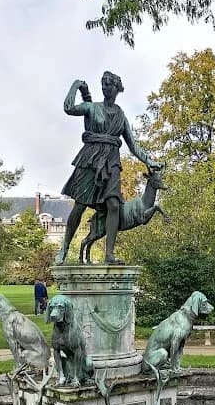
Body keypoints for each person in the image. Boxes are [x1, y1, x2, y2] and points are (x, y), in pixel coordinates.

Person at [55, 71, 161, 265]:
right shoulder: (92, 108)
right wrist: (76, 85)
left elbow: (133, 145)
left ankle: (109, 254)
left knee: (113, 205)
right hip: (90, 159)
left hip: (111, 162)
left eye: (108, 85)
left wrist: (150, 161)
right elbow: (68, 108)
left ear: (116, 88)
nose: (104, 88)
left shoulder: (120, 115)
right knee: (79, 206)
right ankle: (64, 248)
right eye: (102, 84)